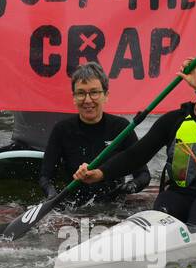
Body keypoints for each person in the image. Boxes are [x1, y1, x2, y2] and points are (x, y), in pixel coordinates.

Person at [74, 49, 196, 226]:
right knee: (166, 201)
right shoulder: (174, 120)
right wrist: (99, 173)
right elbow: (136, 155)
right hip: (181, 196)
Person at [40, 63, 151, 206]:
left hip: (113, 206)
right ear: (74, 97)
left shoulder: (122, 128)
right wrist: (52, 196)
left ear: (106, 96)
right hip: (73, 207)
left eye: (94, 92)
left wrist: (130, 187)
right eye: (81, 93)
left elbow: (144, 175)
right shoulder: (62, 130)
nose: (87, 100)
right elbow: (45, 177)